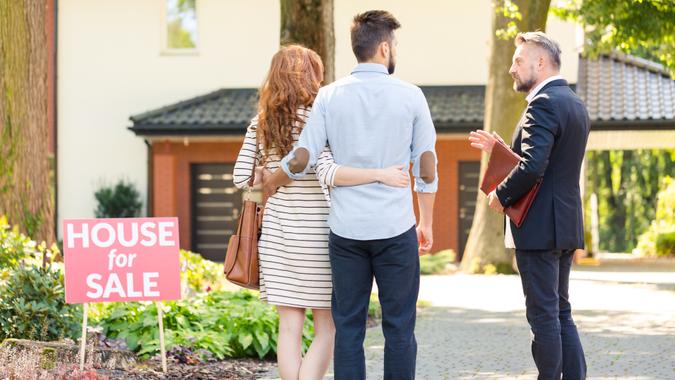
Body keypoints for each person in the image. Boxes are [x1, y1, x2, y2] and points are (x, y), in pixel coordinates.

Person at [269, 10, 438, 380]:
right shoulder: (411, 96)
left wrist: (269, 182)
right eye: (394, 45)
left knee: (348, 328)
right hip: (396, 230)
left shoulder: (329, 96)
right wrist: (425, 221)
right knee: (399, 328)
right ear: (383, 47)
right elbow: (426, 166)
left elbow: (303, 158)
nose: (395, 51)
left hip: (346, 234)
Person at [233, 44, 409, 380]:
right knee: (327, 325)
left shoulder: (261, 123)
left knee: (289, 326)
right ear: (311, 77)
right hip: (319, 232)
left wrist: (265, 180)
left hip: (277, 233)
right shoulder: (323, 117)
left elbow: (241, 178)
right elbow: (331, 169)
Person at [469, 31, 589, 380]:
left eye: (518, 61)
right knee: (560, 310)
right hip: (564, 223)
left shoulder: (543, 103)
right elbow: (548, 162)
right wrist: (502, 148)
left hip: (538, 228)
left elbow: (534, 165)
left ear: (540, 62)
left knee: (543, 315)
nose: (511, 68)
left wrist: (501, 195)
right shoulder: (572, 101)